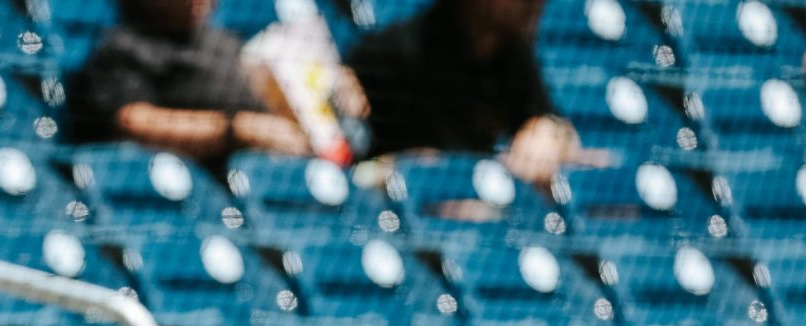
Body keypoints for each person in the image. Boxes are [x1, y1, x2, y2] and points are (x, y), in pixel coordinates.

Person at [346, 0, 588, 188]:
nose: (536, 3)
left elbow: (553, 124)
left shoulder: (510, 52)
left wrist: (550, 131)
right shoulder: (404, 51)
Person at [71, 0, 313, 158]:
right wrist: (234, 129)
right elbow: (131, 121)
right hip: (215, 175)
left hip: (290, 159)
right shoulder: (125, 45)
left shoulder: (224, 41)